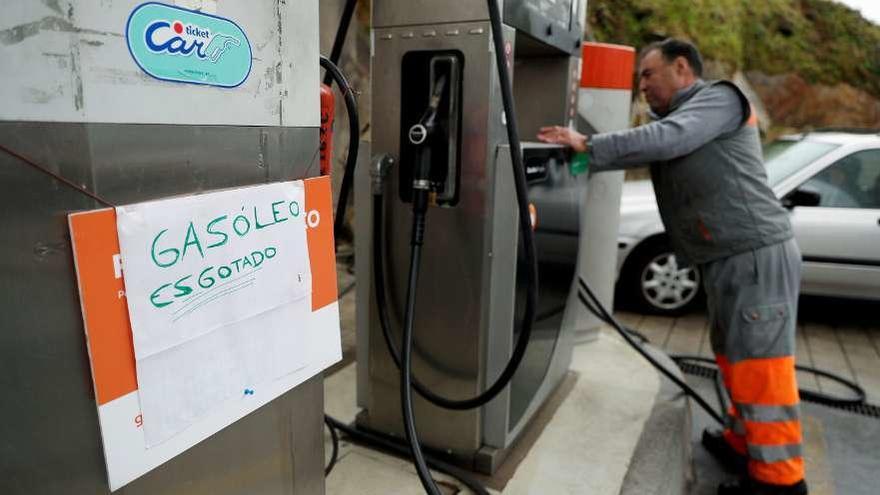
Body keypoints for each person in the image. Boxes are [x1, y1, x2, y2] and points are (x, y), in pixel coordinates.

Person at [538, 38, 807, 495]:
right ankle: (744, 443)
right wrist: (567, 161)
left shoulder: (718, 99)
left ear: (682, 68)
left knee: (761, 363)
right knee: (736, 356)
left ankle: (780, 481)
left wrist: (589, 143)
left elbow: (666, 140)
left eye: (648, 74)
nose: (641, 85)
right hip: (726, 258)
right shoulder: (681, 118)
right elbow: (649, 146)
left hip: (753, 254)